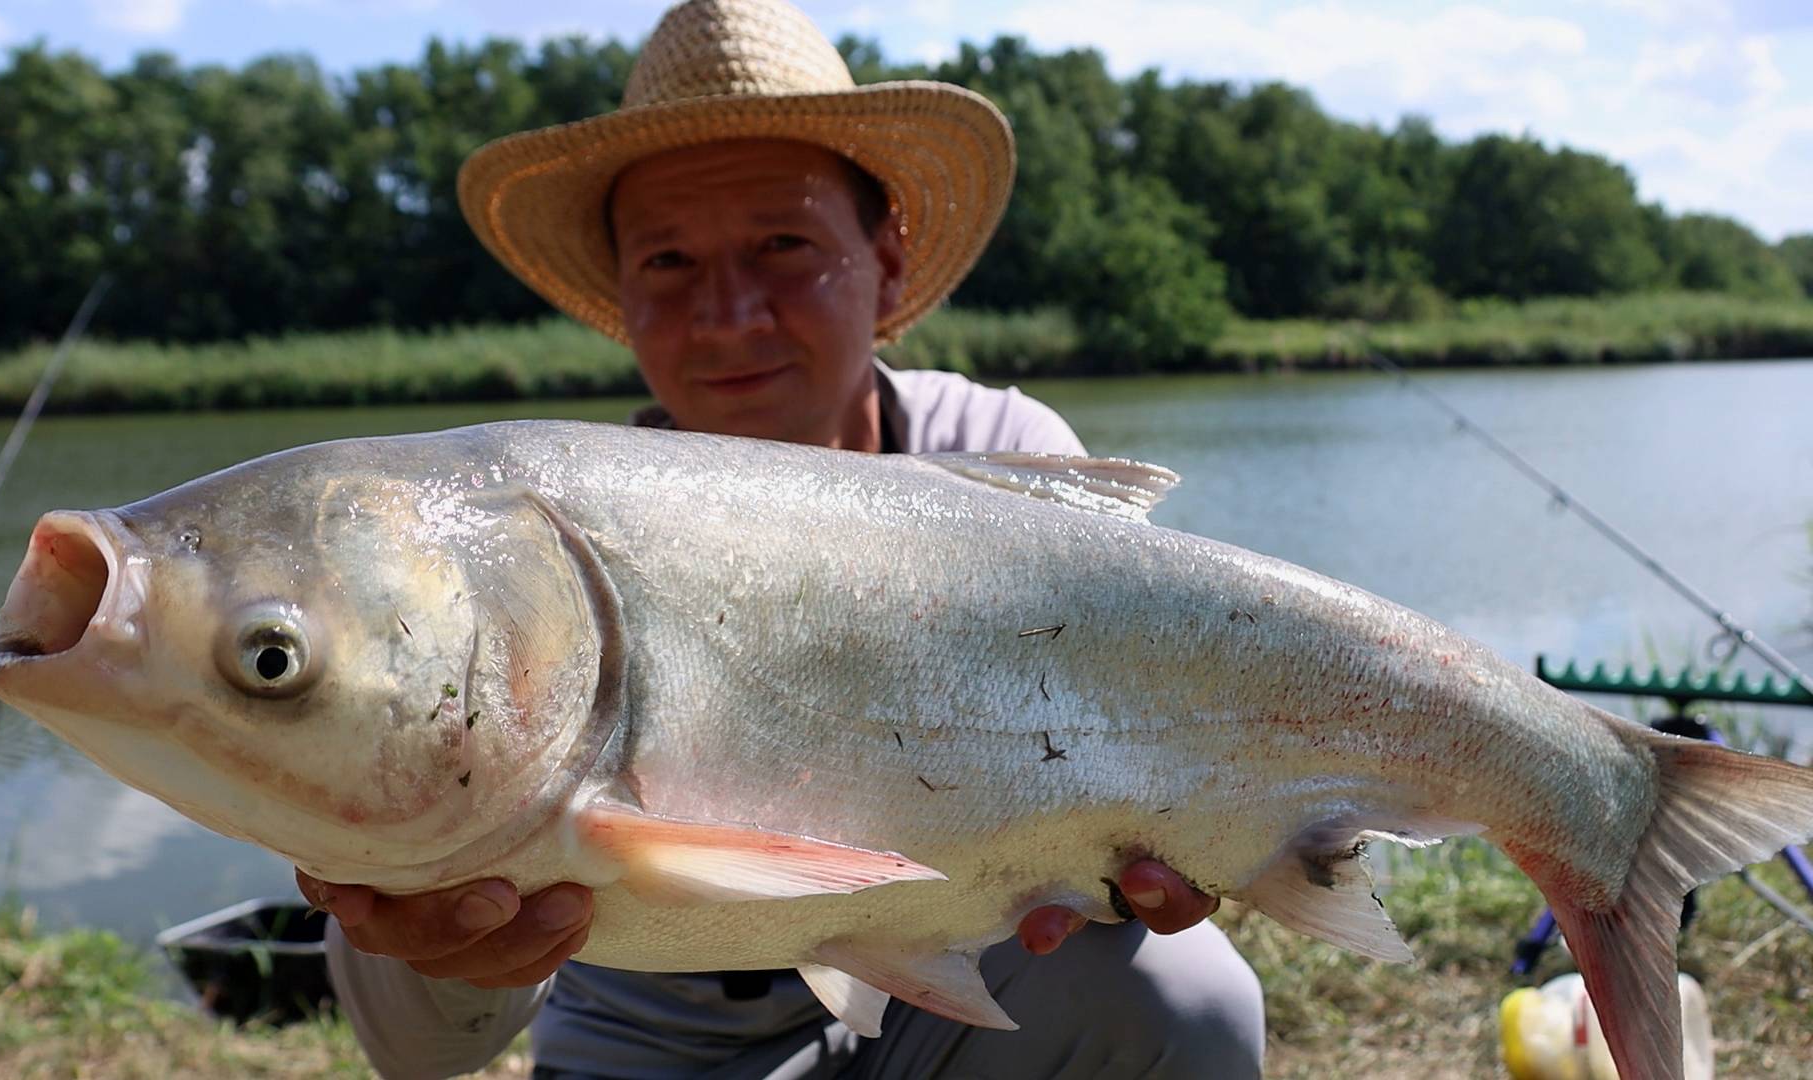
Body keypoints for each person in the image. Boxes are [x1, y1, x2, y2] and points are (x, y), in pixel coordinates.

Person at [300, 1, 1266, 1075]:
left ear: (887, 261)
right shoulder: (527, 576)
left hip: (957, 998)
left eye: (782, 244)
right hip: (656, 1042)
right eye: (667, 262)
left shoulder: (1002, 460)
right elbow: (414, 1055)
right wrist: (437, 934)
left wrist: (1170, 838)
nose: (727, 315)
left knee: (1185, 994)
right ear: (622, 296)